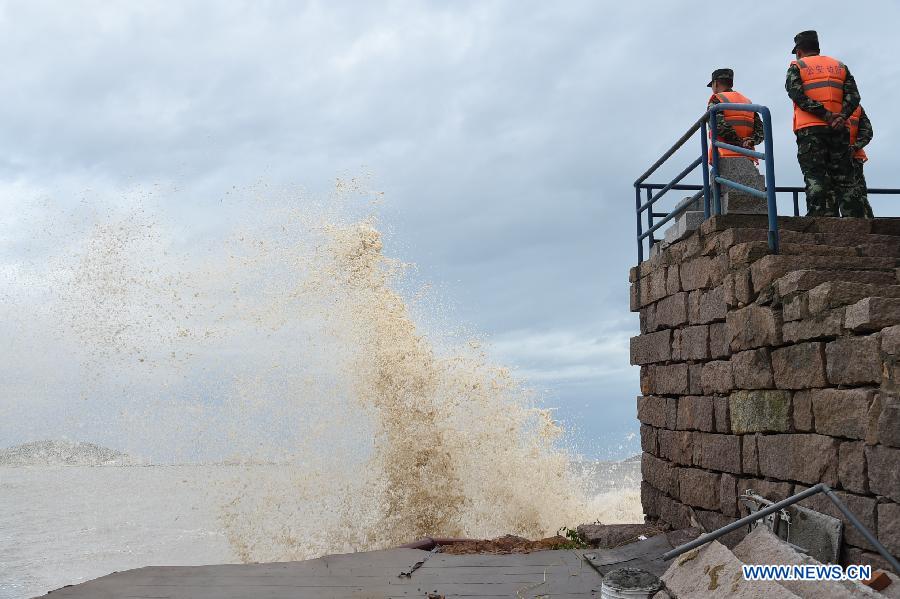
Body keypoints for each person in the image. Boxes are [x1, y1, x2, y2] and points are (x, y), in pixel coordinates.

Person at [785, 30, 862, 217]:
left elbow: (797, 95)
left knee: (815, 175)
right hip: (839, 129)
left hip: (810, 131)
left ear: (799, 51)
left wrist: (826, 116)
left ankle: (820, 219)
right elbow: (854, 97)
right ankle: (856, 221)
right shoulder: (840, 66)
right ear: (817, 48)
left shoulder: (798, 66)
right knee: (845, 178)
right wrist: (841, 117)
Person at [706, 68, 764, 163]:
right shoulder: (747, 102)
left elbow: (717, 125)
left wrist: (739, 142)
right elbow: (761, 131)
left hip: (724, 155)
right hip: (747, 156)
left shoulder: (717, 100)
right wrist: (750, 141)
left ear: (715, 83)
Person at [846, 105, 875, 217]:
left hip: (836, 157)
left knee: (829, 194)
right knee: (858, 194)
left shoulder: (823, 103)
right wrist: (854, 148)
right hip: (854, 156)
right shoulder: (856, 106)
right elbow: (867, 132)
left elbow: (867, 132)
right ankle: (869, 225)